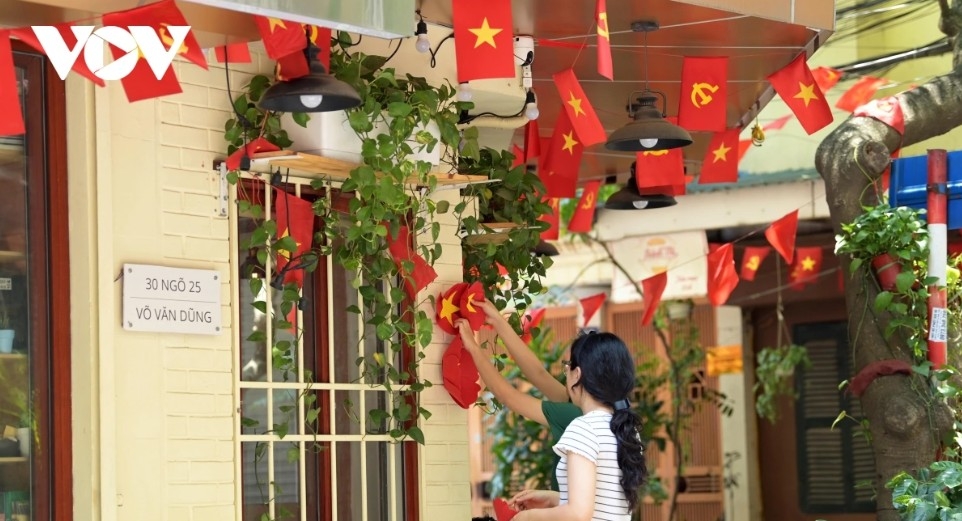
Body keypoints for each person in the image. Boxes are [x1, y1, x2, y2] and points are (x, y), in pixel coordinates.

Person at [505, 332, 647, 521]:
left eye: (567, 368)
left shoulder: (583, 428)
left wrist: (526, 517)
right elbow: (602, 503)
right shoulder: (625, 430)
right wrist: (551, 499)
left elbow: (579, 514)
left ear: (577, 375)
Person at [454, 299, 581, 490]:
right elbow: (538, 373)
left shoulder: (574, 416)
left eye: (567, 367)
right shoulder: (585, 408)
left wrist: (473, 347)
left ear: (578, 374)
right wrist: (497, 320)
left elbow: (509, 397)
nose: (565, 372)